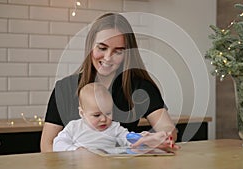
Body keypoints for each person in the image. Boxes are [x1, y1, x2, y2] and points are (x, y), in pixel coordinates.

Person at [40, 12, 178, 152]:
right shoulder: (65, 88)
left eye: (118, 51)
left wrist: (160, 138)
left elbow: (167, 129)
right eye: (102, 48)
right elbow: (47, 144)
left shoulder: (139, 86)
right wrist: (76, 156)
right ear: (90, 46)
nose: (108, 57)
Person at [53, 83, 172, 151]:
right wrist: (75, 150)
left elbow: (127, 138)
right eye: (96, 115)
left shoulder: (114, 128)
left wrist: (144, 137)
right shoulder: (74, 127)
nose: (104, 119)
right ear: (82, 113)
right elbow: (57, 143)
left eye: (108, 113)